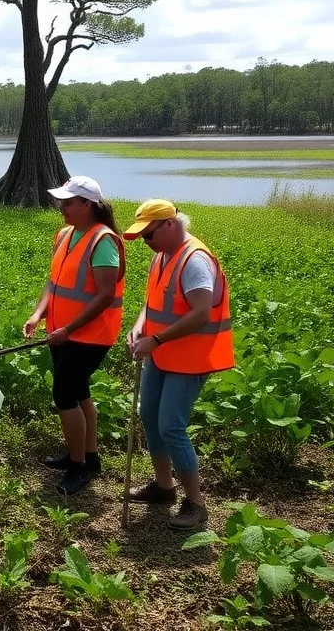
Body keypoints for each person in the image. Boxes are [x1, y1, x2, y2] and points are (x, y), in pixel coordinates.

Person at [124, 199, 234, 530]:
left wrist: (155, 340)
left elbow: (200, 313)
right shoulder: (162, 256)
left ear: (170, 225)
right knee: (150, 416)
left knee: (171, 424)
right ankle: (163, 487)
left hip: (190, 357)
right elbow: (153, 302)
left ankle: (196, 503)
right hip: (162, 353)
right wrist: (140, 324)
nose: (147, 242)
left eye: (149, 235)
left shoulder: (195, 260)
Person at [22, 176, 125, 495]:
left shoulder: (103, 241)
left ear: (87, 205)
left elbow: (105, 295)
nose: (62, 208)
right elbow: (53, 283)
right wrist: (38, 314)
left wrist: (69, 329)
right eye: (61, 202)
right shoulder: (65, 235)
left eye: (68, 202)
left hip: (89, 336)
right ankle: (87, 455)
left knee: (64, 395)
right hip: (61, 332)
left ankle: (78, 466)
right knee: (79, 393)